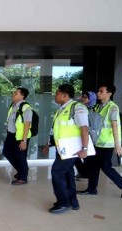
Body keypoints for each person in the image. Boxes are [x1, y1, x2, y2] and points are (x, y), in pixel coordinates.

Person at [77, 84, 122, 198]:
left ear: (109, 93)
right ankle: (92, 189)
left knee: (106, 167)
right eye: (98, 91)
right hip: (96, 142)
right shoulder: (97, 107)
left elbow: (115, 126)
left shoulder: (112, 107)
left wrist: (118, 145)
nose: (98, 93)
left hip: (106, 144)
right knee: (93, 166)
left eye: (101, 91)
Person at [43, 84, 89, 214]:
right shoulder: (61, 109)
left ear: (65, 95)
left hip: (72, 149)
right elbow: (57, 130)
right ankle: (72, 202)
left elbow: (84, 129)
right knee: (68, 174)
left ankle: (63, 203)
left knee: (57, 172)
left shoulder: (77, 108)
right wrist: (49, 144)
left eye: (57, 93)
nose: (55, 96)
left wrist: (84, 149)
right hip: (63, 149)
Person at [2, 87, 32, 185]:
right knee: (6, 151)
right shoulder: (13, 105)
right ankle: (22, 170)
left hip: (20, 136)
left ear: (22, 96)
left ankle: (23, 177)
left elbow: (27, 124)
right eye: (14, 93)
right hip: (11, 134)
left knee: (20, 156)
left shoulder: (26, 107)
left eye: (16, 93)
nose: (13, 94)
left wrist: (24, 141)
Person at [74, 91, 97, 179]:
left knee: (88, 158)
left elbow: (88, 126)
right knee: (77, 156)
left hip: (89, 136)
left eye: (85, 97)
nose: (83, 98)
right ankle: (83, 172)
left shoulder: (91, 110)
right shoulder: (81, 108)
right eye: (82, 96)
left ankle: (86, 175)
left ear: (91, 99)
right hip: (81, 136)